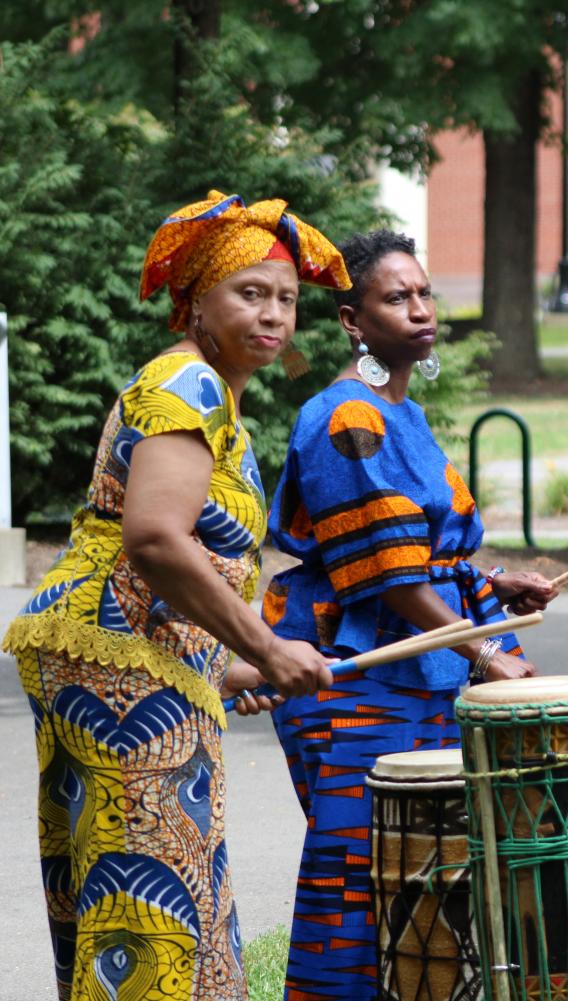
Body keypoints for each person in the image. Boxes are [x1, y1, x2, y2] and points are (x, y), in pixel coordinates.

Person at [3, 190, 347, 1000]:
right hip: (115, 669)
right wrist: (264, 645)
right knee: (150, 901)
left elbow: (165, 556)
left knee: (155, 889)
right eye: (250, 292)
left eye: (287, 299)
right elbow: (154, 539)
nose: (274, 315)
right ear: (195, 300)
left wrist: (221, 665)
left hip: (129, 657)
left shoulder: (213, 395)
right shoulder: (184, 384)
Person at [261, 229, 555, 998]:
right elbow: (388, 577)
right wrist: (487, 656)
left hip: (426, 658)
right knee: (364, 874)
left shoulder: (402, 411)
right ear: (353, 321)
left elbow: (420, 553)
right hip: (362, 668)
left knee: (432, 872)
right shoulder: (344, 418)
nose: (421, 309)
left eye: (424, 292)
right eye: (398, 297)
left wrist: (493, 582)